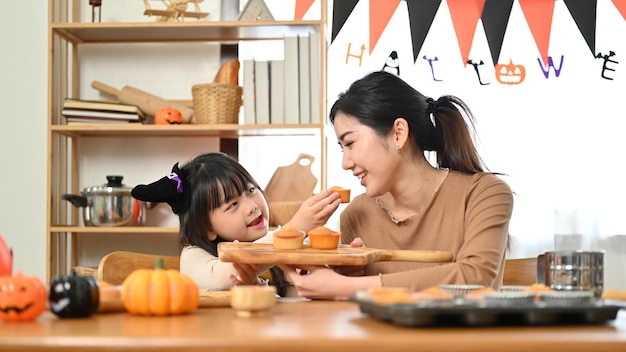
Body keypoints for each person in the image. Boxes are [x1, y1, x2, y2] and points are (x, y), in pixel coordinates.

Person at [279, 71, 514, 300]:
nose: (345, 163)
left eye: (350, 143)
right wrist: (341, 279)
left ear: (398, 133)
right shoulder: (356, 214)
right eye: (342, 149)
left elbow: (476, 277)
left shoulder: (484, 194)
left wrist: (348, 287)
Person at [131, 152, 341, 297]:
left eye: (250, 190)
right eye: (232, 204)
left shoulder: (269, 243)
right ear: (207, 229)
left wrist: (339, 272)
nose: (251, 206)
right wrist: (294, 229)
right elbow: (223, 277)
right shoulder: (193, 255)